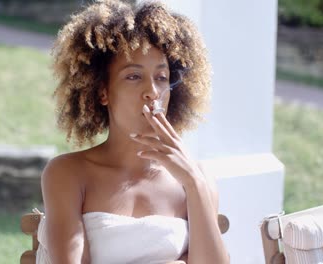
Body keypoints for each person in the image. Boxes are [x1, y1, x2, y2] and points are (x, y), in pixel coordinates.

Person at [36, 0, 230, 263]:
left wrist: (194, 183)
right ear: (103, 92)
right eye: (133, 76)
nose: (152, 91)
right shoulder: (67, 173)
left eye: (161, 78)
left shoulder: (198, 178)